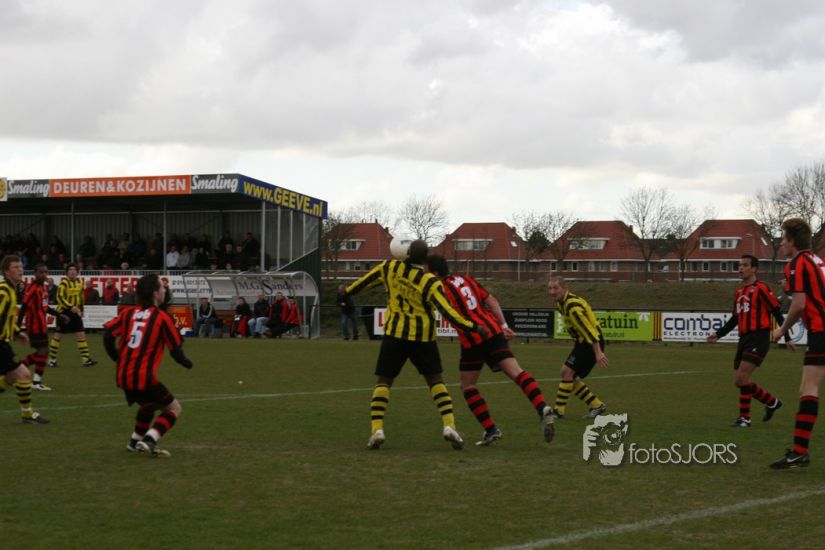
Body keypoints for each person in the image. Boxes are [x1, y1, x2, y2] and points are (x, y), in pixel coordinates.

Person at [344, 239, 487, 451]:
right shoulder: (430, 282)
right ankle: (449, 426)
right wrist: (473, 327)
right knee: (435, 381)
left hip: (394, 335)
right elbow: (448, 312)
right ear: (425, 258)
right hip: (423, 339)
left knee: (384, 381)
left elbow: (363, 282)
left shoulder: (390, 268)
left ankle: (377, 429)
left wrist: (345, 292)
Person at [427, 254, 555, 446]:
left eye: (426, 271)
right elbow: (492, 301)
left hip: (473, 339)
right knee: (517, 373)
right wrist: (504, 325)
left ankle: (491, 429)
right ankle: (542, 407)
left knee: (467, 385)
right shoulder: (466, 279)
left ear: (435, 273)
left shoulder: (440, 289)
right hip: (494, 332)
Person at [103, 273, 194, 458]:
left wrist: (117, 358)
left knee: (148, 406)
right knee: (174, 409)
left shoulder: (128, 313)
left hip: (123, 375)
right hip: (144, 377)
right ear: (155, 293)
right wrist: (187, 363)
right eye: (162, 287)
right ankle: (150, 439)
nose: (164, 290)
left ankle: (134, 442)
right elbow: (176, 350)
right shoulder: (162, 317)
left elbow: (107, 336)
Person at [707, 255, 787, 428]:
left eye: (745, 265)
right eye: (739, 265)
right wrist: (718, 334)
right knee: (741, 380)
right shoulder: (739, 293)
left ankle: (753, 413)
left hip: (759, 338)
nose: (740, 268)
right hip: (744, 339)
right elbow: (735, 319)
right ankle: (765, 406)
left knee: (740, 378)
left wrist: (786, 336)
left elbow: (776, 312)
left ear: (754, 269)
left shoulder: (762, 288)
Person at [770, 218, 825, 469]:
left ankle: (800, 451)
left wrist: (782, 329)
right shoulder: (817, 260)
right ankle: (799, 451)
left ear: (792, 241)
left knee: (809, 388)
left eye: (783, 239)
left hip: (821, 331)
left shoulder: (797, 264)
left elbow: (799, 304)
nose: (781, 244)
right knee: (806, 388)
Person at [547, 276, 608, 419]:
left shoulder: (572, 306)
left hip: (591, 342)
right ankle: (597, 405)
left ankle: (558, 412)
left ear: (564, 289)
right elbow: (574, 326)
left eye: (555, 288)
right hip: (583, 342)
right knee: (567, 374)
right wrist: (575, 341)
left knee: (567, 373)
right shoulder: (562, 303)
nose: (552, 292)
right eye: (549, 288)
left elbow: (588, 330)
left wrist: (598, 352)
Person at [0, 255, 49, 424]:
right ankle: (27, 415)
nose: (20, 270)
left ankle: (27, 415)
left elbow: (6, 317)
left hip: (4, 343)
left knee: (12, 377)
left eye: (21, 267)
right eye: (15, 267)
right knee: (24, 374)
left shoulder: (10, 289)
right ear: (6, 271)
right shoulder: (3, 290)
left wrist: (16, 332)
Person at [17, 264, 63, 391]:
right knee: (43, 351)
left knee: (42, 352)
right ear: (35, 273)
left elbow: (45, 307)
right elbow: (23, 307)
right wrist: (17, 327)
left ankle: (17, 370)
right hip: (34, 326)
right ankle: (36, 382)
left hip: (42, 325)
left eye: (45, 272)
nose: (44, 274)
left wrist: (59, 315)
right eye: (41, 272)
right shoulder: (32, 288)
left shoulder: (44, 288)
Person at [47, 264, 97, 368]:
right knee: (58, 336)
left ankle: (86, 360)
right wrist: (71, 307)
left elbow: (81, 296)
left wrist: (81, 309)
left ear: (77, 272)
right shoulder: (63, 283)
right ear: (67, 272)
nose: (72, 271)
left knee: (81, 335)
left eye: (74, 270)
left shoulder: (80, 282)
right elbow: (60, 298)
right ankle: (52, 360)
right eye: (70, 270)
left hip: (75, 312)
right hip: (64, 312)